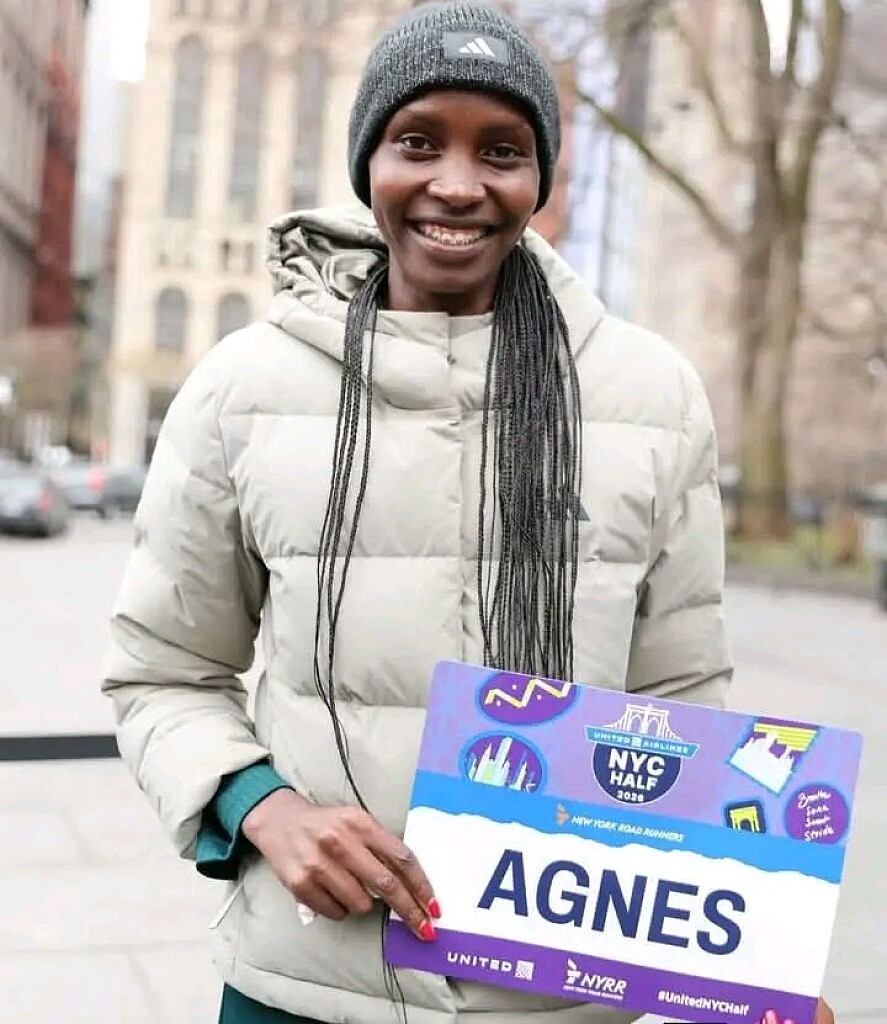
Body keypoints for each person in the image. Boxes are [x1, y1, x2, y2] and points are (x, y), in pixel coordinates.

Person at [101, 3, 836, 1023]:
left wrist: (744, 970)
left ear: (540, 179)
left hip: (561, 1000)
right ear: (368, 163)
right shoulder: (243, 387)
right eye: (417, 142)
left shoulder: (649, 397)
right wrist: (261, 806)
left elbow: (678, 702)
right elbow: (163, 671)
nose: (456, 184)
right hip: (306, 985)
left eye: (501, 151)